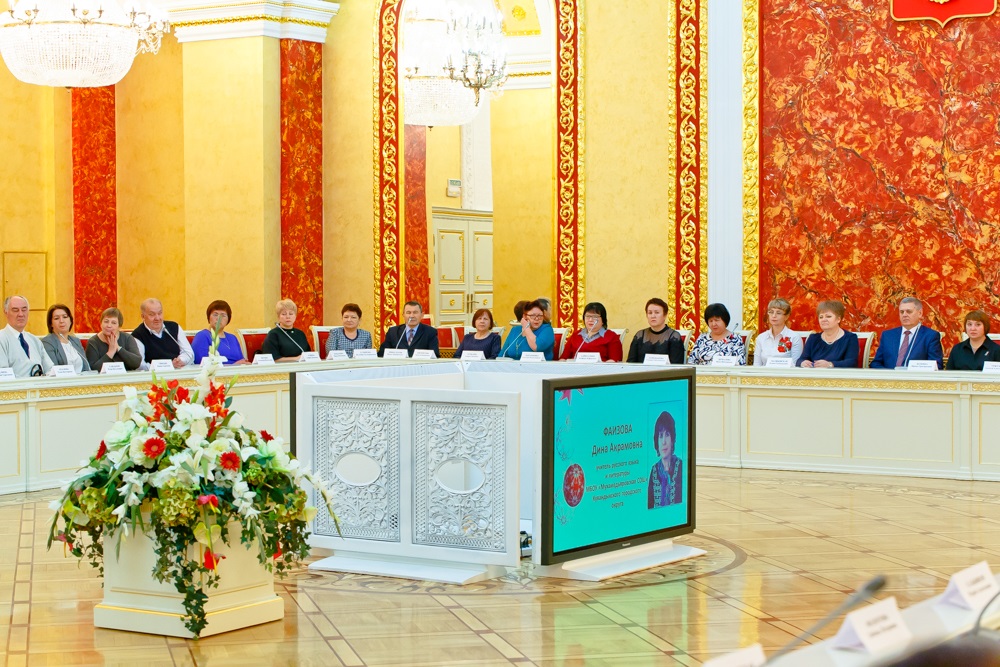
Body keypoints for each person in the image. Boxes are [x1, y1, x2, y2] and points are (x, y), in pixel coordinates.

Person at [870, 297, 944, 369]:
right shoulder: (888, 336)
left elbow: (936, 366)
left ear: (920, 313)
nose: (904, 315)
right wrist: (891, 374)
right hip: (889, 377)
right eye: (901, 312)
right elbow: (876, 363)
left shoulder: (930, 336)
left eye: (909, 311)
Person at [132, 298, 195, 368]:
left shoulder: (174, 327)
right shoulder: (137, 335)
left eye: (160, 313)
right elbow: (140, 364)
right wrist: (167, 366)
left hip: (178, 370)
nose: (157, 318)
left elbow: (189, 353)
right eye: (152, 314)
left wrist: (180, 360)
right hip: (154, 373)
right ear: (143, 316)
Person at [0, 295, 53, 377]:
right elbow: (3, 374)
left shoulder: (34, 340)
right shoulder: (2, 339)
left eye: (24, 310)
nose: (21, 314)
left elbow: (50, 369)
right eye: (15, 310)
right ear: (6, 312)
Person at [797, 300, 860, 368]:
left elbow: (851, 362)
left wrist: (830, 364)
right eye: (821, 317)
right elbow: (800, 360)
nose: (824, 319)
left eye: (828, 316)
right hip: (815, 374)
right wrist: (803, 363)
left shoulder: (850, 338)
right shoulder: (813, 338)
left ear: (838, 319)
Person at [627, 297, 685, 364]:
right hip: (641, 370)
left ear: (665, 315)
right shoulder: (640, 335)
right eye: (650, 313)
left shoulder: (674, 336)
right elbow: (630, 362)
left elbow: (677, 364)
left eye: (657, 312)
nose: (653, 316)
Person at [86, 307, 143, 372]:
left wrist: (118, 348)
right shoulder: (93, 342)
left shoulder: (127, 338)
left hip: (126, 377)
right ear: (101, 323)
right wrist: (111, 352)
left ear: (119, 326)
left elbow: (136, 363)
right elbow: (93, 369)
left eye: (114, 323)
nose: (109, 325)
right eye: (106, 321)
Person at [191, 300, 248, 365]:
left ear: (228, 319)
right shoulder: (202, 336)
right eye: (215, 315)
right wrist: (233, 365)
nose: (219, 318)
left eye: (223, 315)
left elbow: (241, 360)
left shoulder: (233, 338)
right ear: (209, 317)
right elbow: (201, 362)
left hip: (237, 370)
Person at [647, 411, 683, 508]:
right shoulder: (654, 471)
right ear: (657, 441)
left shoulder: (680, 467)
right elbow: (649, 505)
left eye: (667, 435)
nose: (664, 442)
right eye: (660, 436)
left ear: (672, 439)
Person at [41, 304, 91, 373]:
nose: (61, 321)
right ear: (51, 324)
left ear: (70, 321)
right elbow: (53, 370)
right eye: (56, 318)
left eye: (65, 317)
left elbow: (86, 366)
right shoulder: (48, 342)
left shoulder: (75, 341)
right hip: (62, 379)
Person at [753, 298, 803, 366]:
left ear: (786, 316)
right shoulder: (761, 337)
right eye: (771, 312)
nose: (774, 316)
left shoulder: (794, 337)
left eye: (778, 313)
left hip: (786, 372)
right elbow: (756, 365)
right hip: (764, 372)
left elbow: (795, 364)